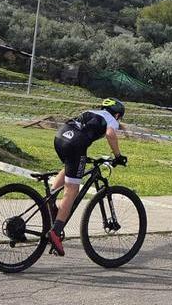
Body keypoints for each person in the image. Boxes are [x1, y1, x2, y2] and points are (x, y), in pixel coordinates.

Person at [49, 98, 127, 255]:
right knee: (72, 190)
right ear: (117, 115)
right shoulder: (111, 119)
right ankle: (55, 232)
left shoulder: (92, 112)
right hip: (75, 144)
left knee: (69, 167)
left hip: (60, 137)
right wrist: (118, 156)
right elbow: (110, 134)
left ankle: (50, 201)